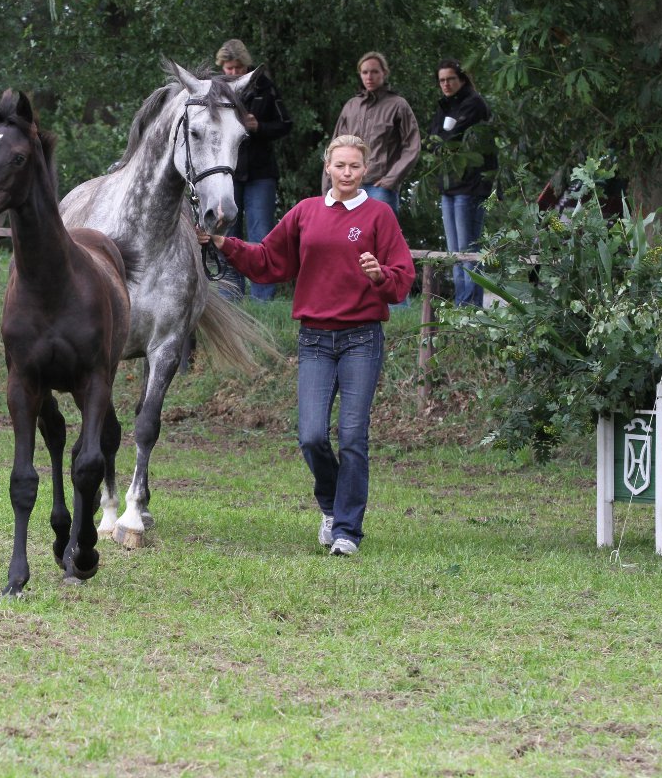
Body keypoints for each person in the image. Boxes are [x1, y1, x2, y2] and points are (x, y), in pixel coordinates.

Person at [200, 135, 414, 556]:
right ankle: (331, 507)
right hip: (315, 339)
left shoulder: (379, 215)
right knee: (311, 436)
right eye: (340, 165)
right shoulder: (306, 212)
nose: (347, 173)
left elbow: (403, 278)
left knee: (353, 436)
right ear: (328, 167)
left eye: (355, 166)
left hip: (361, 338)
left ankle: (347, 532)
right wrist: (225, 244)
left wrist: (379, 276)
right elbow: (267, 261)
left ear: (365, 170)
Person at [215, 39, 292, 302]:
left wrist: (259, 127)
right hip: (228, 173)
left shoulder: (265, 87)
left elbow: (285, 124)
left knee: (262, 235)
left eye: (238, 67)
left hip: (260, 173)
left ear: (246, 65)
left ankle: (263, 297)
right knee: (227, 234)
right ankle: (229, 296)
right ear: (222, 67)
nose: (234, 73)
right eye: (229, 68)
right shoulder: (215, 91)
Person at [429, 58, 496, 307]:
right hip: (448, 184)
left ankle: (471, 308)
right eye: (442, 80)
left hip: (470, 185)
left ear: (462, 79)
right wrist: (443, 140)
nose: (445, 84)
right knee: (454, 252)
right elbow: (434, 139)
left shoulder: (474, 104)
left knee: (468, 251)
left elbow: (451, 139)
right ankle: (460, 307)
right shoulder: (444, 105)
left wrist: (444, 140)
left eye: (450, 79)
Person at [324, 52, 420, 216]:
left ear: (384, 73)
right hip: (348, 184)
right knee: (346, 237)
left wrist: (390, 180)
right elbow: (334, 147)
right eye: (365, 72)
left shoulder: (398, 105)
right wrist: (327, 187)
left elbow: (412, 146)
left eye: (375, 71)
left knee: (381, 239)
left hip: (380, 187)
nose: (369, 76)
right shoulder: (351, 106)